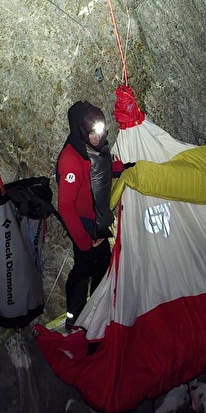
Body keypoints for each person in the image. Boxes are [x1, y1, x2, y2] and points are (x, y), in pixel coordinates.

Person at [56, 102, 123, 330]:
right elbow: (65, 206)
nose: (96, 137)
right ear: (81, 130)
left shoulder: (94, 148)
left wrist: (124, 168)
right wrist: (84, 243)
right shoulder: (72, 160)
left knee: (103, 265)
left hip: (98, 219)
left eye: (99, 131)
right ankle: (74, 318)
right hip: (84, 225)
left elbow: (101, 167)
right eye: (91, 132)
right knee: (83, 270)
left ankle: (96, 311)